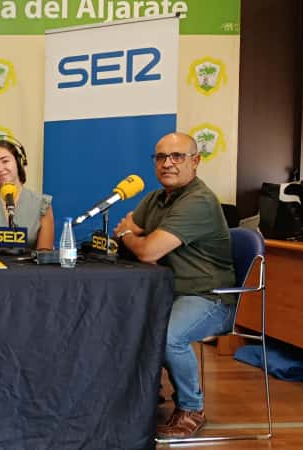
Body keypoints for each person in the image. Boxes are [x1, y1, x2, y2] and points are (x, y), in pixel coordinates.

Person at [113, 132, 236, 439]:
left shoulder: (198, 201)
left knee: (168, 336)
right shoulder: (156, 198)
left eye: (177, 156)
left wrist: (132, 237)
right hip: (170, 293)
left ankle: (192, 409)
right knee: (123, 319)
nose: (168, 163)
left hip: (209, 298)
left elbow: (145, 248)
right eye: (161, 157)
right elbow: (130, 234)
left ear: (195, 161)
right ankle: (145, 393)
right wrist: (135, 238)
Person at [0, 137, 54, 252]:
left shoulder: (42, 204)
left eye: (5, 161)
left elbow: (44, 257)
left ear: (18, 162)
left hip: (31, 270)